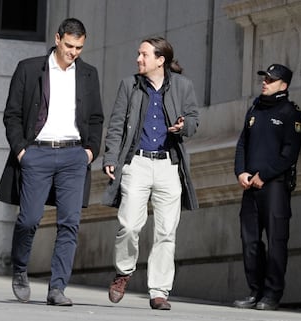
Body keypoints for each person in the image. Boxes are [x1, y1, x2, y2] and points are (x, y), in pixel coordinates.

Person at [0, 18, 104, 306]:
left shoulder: (88, 74)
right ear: (57, 39)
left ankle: (57, 288)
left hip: (73, 156)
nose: (74, 52)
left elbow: (95, 118)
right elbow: (12, 115)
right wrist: (22, 152)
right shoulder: (29, 69)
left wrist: (90, 152)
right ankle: (20, 269)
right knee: (29, 220)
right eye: (69, 45)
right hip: (37, 154)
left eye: (79, 47)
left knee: (69, 223)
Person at [102, 37, 199, 310]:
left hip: (169, 165)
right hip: (137, 163)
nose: (138, 59)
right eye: (138, 54)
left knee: (166, 232)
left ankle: (159, 291)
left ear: (161, 60)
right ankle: (124, 271)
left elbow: (194, 120)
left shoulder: (183, 86)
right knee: (129, 225)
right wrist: (110, 156)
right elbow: (117, 123)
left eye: (144, 55)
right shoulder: (129, 85)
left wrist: (183, 126)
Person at [233, 64, 301, 310]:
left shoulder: (290, 114)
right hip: (249, 186)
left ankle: (272, 294)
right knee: (249, 240)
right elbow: (242, 144)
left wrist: (264, 175)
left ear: (283, 85)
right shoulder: (254, 110)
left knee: (276, 241)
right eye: (264, 78)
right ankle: (255, 291)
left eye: (271, 80)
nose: (265, 82)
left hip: (274, 187)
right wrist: (241, 172)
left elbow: (289, 154)